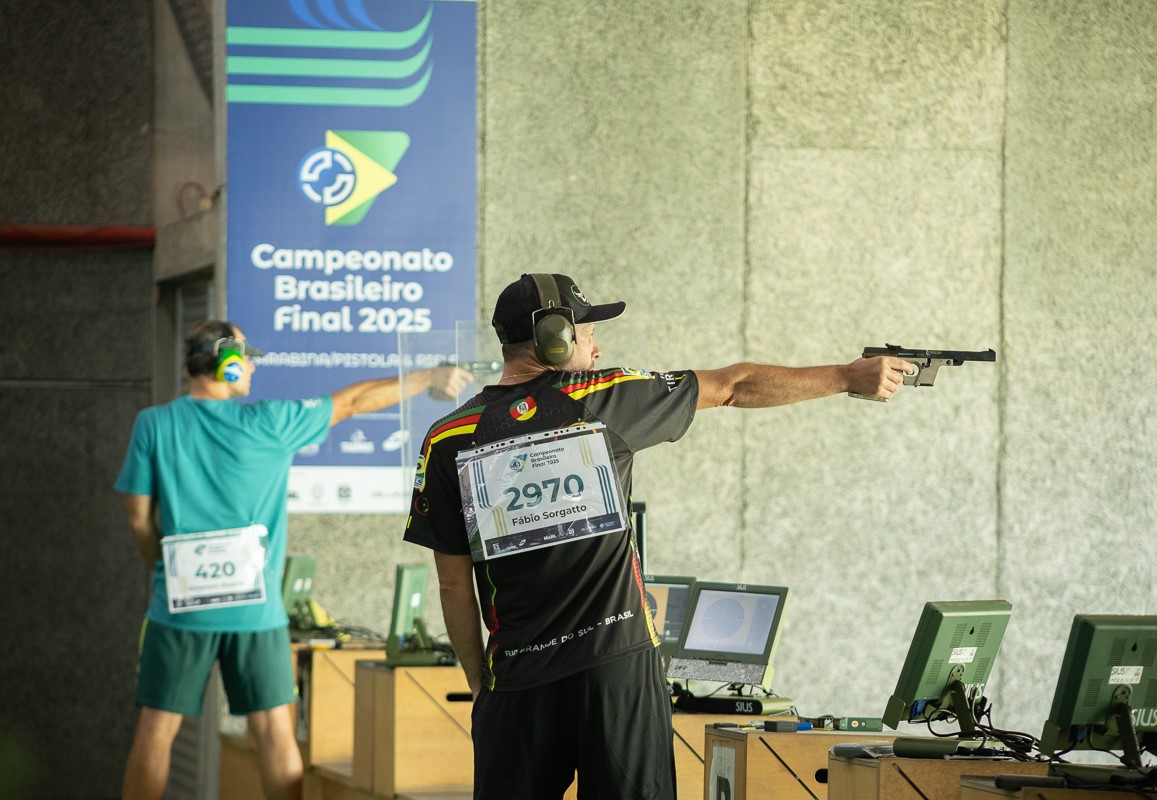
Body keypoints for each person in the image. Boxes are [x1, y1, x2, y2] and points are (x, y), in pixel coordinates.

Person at [402, 273, 915, 800]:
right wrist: (847, 376)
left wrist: (481, 685)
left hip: (516, 679)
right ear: (555, 337)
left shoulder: (447, 437)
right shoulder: (601, 398)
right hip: (615, 665)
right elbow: (734, 385)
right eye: (587, 333)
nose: (597, 347)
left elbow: (453, 585)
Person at [115, 319, 471, 800]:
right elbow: (353, 401)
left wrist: (164, 571)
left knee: (157, 729)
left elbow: (138, 518)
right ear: (228, 363)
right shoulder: (270, 422)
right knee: (273, 730)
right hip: (256, 612)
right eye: (247, 358)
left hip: (179, 607)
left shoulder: (154, 424)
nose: (252, 368)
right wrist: (429, 378)